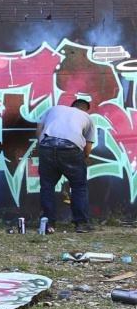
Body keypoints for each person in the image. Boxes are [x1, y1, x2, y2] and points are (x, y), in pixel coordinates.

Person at [36, 99, 95, 233]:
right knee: (79, 186)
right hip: (71, 148)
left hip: (47, 146)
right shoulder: (87, 117)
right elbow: (88, 145)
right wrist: (84, 159)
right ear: (85, 109)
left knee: (47, 186)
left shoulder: (54, 109)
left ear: (72, 106)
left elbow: (39, 128)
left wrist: (43, 146)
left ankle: (48, 223)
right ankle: (81, 223)